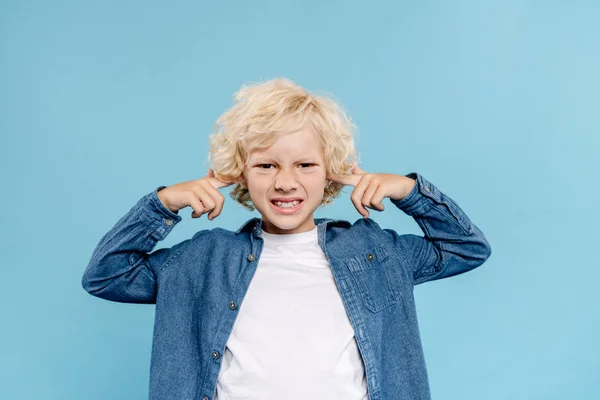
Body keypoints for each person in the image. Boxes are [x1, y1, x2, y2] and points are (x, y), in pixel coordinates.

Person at [82, 78, 492, 400]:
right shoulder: (203, 258)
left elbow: (465, 247)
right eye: (266, 165)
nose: (285, 182)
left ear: (330, 170)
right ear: (240, 172)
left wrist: (408, 190)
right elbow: (106, 275)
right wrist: (164, 203)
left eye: (305, 164)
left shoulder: (373, 252)